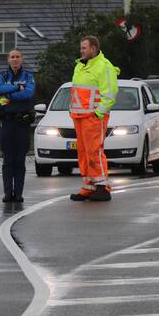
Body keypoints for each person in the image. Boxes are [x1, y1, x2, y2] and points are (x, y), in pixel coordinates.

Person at [69, 35, 120, 202]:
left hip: (93, 117)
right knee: (83, 152)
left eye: (84, 48)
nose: (81, 50)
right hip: (79, 117)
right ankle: (88, 186)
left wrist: (99, 113)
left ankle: (102, 186)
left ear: (94, 48)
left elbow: (110, 94)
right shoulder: (80, 66)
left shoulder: (104, 66)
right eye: (81, 48)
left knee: (94, 151)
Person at [0, 49, 36, 203]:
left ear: (22, 59)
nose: (15, 59)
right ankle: (7, 193)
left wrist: (9, 96)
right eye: (12, 57)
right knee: (8, 160)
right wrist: (17, 88)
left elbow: (28, 94)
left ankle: (18, 194)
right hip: (6, 123)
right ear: (8, 59)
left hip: (22, 123)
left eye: (18, 57)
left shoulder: (29, 77)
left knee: (20, 160)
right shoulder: (2, 76)